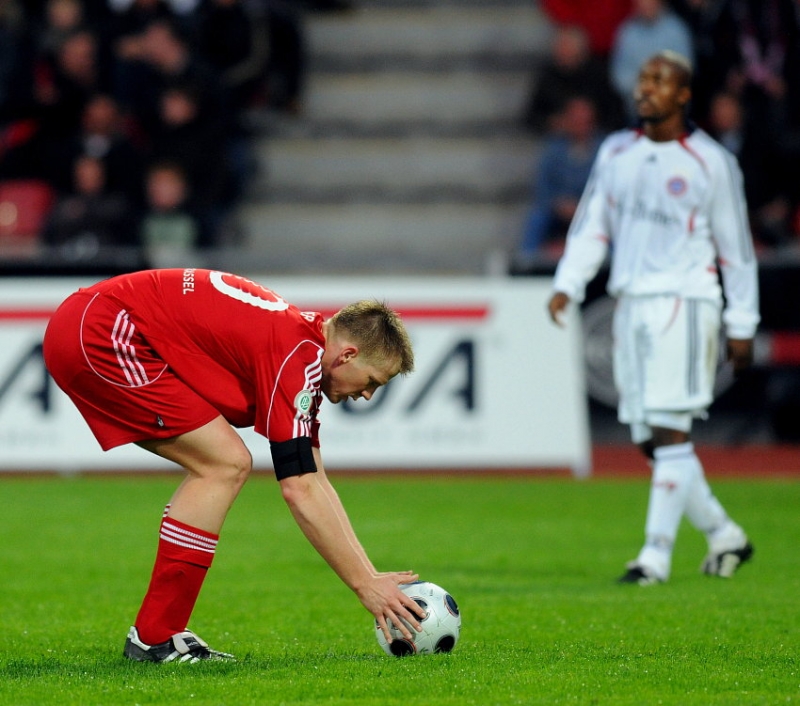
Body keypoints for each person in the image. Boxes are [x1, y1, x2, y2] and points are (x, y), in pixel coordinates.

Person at [43, 268, 426, 662]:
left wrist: (370, 574)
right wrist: (364, 585)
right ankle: (156, 636)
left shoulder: (299, 346)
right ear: (347, 355)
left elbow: (314, 478)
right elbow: (299, 489)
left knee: (223, 463)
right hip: (104, 331)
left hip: (90, 320)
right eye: (372, 381)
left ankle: (157, 634)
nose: (366, 395)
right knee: (224, 464)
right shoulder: (298, 357)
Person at [547, 52, 759, 585]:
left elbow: (736, 249)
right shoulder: (617, 151)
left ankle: (654, 557)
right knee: (649, 438)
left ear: (684, 94)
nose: (646, 89)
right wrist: (568, 283)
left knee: (669, 430)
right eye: (643, 80)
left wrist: (742, 322)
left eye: (659, 81)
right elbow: (594, 224)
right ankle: (724, 534)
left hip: (685, 303)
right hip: (630, 304)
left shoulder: (711, 162)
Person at [515, 96, 604, 268]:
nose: (580, 125)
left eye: (584, 121)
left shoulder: (604, 150)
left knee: (612, 222)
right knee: (537, 217)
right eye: (575, 120)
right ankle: (526, 263)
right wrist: (558, 203)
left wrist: (583, 207)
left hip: (590, 210)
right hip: (557, 208)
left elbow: (608, 188)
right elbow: (543, 185)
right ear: (567, 121)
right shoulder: (553, 149)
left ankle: (613, 263)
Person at [610, 0, 694, 120]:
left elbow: (685, 71)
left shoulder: (677, 31)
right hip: (636, 112)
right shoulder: (627, 32)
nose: (646, 6)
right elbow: (619, 76)